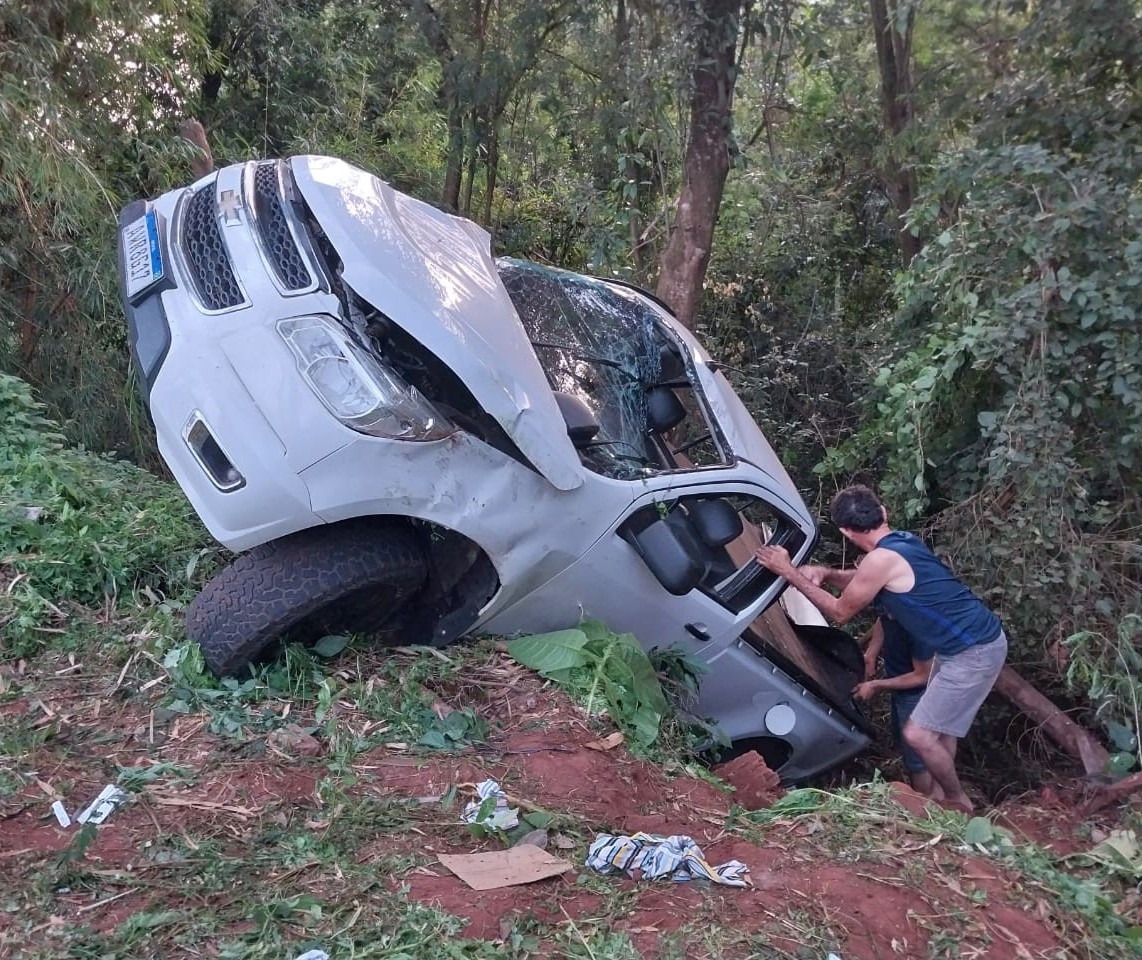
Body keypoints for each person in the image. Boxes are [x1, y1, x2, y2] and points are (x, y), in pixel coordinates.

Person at [755, 484, 1007, 813]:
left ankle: (958, 801)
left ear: (845, 530)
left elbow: (840, 611)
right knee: (940, 730)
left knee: (917, 735)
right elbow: (865, 581)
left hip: (972, 652)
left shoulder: (880, 560)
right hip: (971, 644)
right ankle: (941, 800)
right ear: (883, 513)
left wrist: (787, 571)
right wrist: (826, 573)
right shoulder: (901, 542)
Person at [855, 614, 941, 799]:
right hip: (902, 689)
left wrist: (876, 685)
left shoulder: (918, 626)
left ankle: (925, 807)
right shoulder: (892, 601)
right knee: (907, 750)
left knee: (918, 762)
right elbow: (883, 618)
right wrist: (871, 652)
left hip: (919, 693)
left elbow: (923, 675)